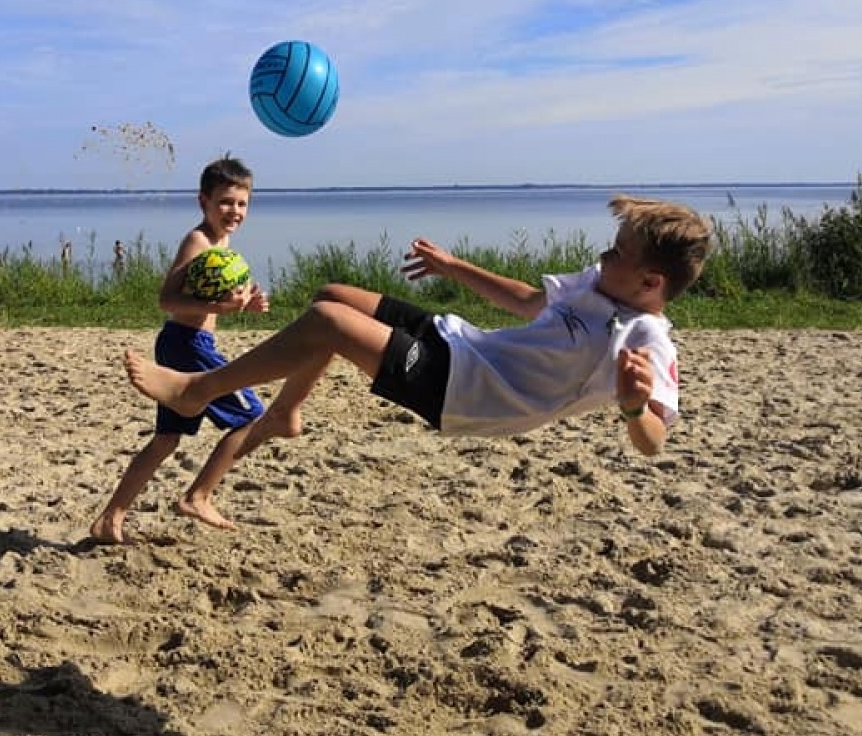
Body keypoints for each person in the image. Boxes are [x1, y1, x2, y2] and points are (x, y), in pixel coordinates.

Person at [124, 194, 712, 461]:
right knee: (331, 294)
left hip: (470, 393)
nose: (605, 255)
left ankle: (199, 388)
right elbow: (529, 301)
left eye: (620, 251)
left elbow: (654, 442)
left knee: (328, 323)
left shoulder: (644, 339)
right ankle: (285, 414)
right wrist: (453, 267)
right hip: (463, 344)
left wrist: (635, 408)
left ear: (651, 283)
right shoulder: (597, 283)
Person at [89, 157, 273, 544]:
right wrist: (219, 308)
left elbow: (214, 296)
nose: (234, 211)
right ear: (203, 201)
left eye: (242, 203)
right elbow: (168, 300)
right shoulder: (198, 241)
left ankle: (110, 519)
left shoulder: (224, 243)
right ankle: (197, 496)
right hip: (188, 346)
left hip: (188, 344)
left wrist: (246, 304)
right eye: (225, 202)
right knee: (252, 418)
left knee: (166, 439)